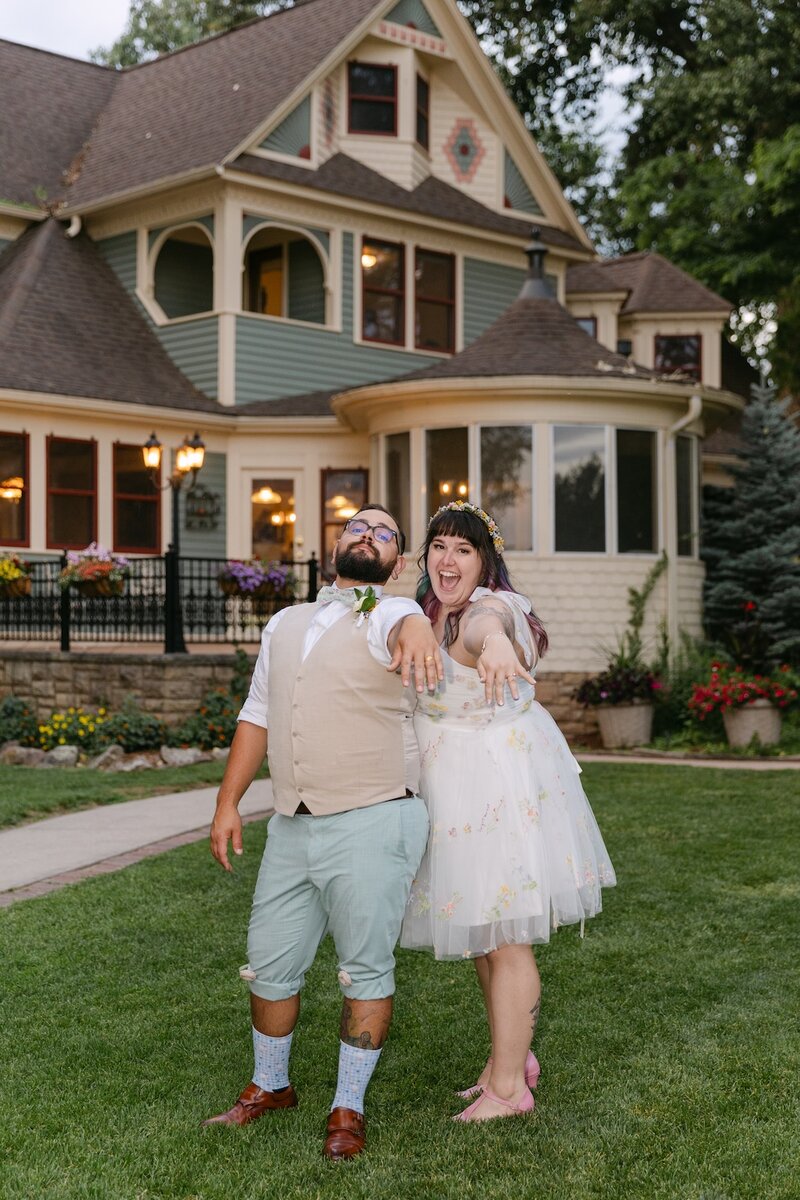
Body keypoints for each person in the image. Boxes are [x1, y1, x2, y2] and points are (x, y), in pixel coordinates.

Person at [204, 504, 442, 1161]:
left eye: (384, 533)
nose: (367, 535)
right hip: (292, 822)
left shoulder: (388, 615)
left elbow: (405, 622)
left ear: (397, 563)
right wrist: (228, 804)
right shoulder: (285, 622)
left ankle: (349, 1107)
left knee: (364, 967)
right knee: (269, 960)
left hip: (373, 816)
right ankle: (270, 1085)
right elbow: (257, 715)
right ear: (336, 543)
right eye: (358, 527)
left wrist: (418, 621)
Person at [400, 500, 616, 1122]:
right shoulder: (427, 614)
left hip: (492, 788)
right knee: (480, 934)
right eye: (439, 545)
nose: (448, 558)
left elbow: (488, 627)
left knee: (507, 937)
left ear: (485, 562)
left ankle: (507, 1093)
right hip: (451, 789)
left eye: (463, 549)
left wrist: (495, 643)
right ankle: (510, 1059)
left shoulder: (490, 611)